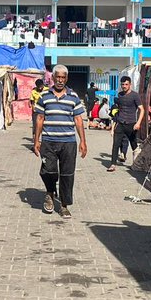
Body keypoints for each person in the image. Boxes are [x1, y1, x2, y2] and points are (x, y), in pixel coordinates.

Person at [33, 65, 88, 219]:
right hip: (49, 141)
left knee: (67, 174)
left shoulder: (73, 97)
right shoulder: (44, 96)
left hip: (68, 142)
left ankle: (63, 205)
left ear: (66, 79)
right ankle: (50, 193)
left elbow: (78, 119)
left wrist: (83, 141)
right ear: (53, 78)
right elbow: (39, 119)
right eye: (58, 77)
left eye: (63, 77)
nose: (60, 80)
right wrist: (36, 140)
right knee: (47, 170)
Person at [107, 75, 144, 171]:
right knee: (116, 144)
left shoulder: (135, 95)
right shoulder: (120, 95)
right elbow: (118, 110)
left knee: (134, 145)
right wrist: (113, 125)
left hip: (131, 123)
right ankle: (113, 164)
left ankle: (136, 164)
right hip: (120, 123)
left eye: (126, 84)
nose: (124, 86)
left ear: (130, 85)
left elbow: (142, 109)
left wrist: (138, 123)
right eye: (122, 84)